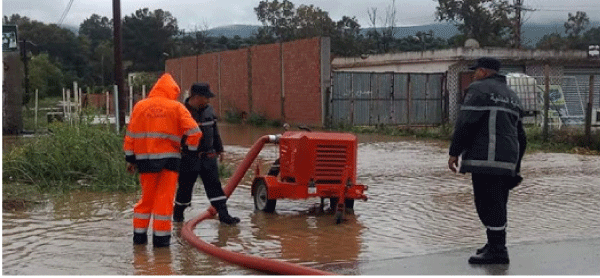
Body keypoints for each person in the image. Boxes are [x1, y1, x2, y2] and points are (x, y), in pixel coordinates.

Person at [448, 57, 527, 264]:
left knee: (486, 203)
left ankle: (498, 251)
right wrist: (516, 166)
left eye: (475, 71)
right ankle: (494, 244)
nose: (474, 75)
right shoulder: (512, 95)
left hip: (486, 159)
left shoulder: (479, 89)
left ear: (483, 71)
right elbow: (522, 136)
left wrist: (454, 151)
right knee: (498, 203)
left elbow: (466, 123)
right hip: (507, 160)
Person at [124, 73, 203, 247]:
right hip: (170, 163)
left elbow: (130, 136)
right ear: (173, 91)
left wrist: (130, 159)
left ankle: (139, 240)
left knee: (146, 200)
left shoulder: (140, 107)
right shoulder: (176, 108)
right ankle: (161, 246)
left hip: (144, 163)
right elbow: (195, 132)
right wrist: (189, 151)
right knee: (164, 202)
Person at [173, 82, 240, 225]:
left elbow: (215, 132)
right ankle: (178, 217)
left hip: (208, 157)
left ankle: (224, 216)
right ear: (196, 97)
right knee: (185, 189)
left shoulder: (209, 110)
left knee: (215, 187)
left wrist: (220, 149)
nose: (208, 101)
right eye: (206, 97)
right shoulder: (181, 111)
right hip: (188, 158)